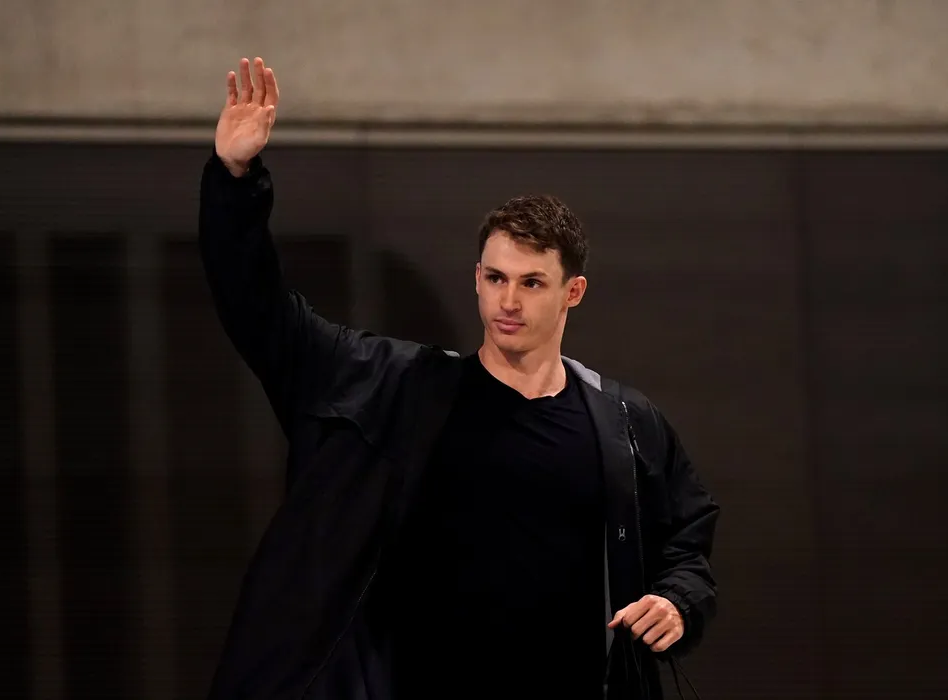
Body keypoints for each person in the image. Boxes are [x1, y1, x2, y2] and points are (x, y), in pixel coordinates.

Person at [200, 57, 720, 700]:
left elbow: (687, 541)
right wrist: (235, 181)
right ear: (476, 278)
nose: (509, 301)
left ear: (573, 292)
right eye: (496, 278)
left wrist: (677, 602)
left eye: (532, 283)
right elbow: (261, 315)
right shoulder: (397, 389)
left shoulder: (624, 423)